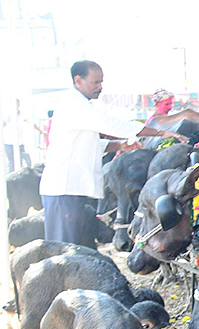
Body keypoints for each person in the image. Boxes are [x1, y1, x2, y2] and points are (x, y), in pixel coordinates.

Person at [39, 60, 189, 247]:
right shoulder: (74, 104)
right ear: (78, 81)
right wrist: (160, 132)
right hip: (63, 189)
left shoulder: (80, 104)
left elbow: (88, 144)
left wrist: (119, 145)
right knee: (64, 247)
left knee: (71, 245)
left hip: (69, 188)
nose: (100, 87)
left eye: (101, 82)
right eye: (95, 82)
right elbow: (112, 124)